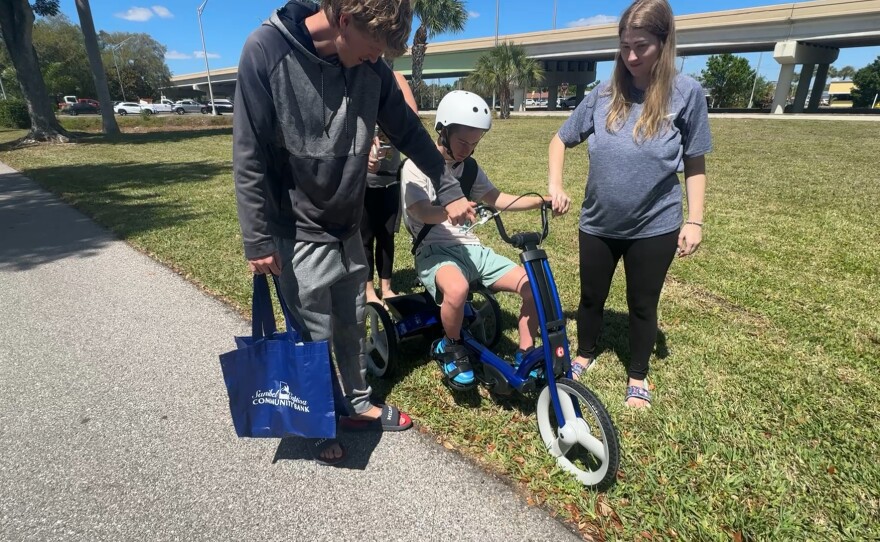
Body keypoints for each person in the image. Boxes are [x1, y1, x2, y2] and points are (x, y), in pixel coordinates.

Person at [233, 0, 476, 465]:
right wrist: (258, 239)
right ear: (343, 20)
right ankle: (322, 421)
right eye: (371, 50)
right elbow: (249, 153)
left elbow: (409, 132)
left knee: (354, 318)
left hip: (347, 225)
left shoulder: (373, 69)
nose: (375, 61)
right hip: (297, 230)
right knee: (314, 333)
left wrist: (447, 187)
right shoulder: (265, 50)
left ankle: (359, 404)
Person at [547, 0, 712, 409]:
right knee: (590, 297)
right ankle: (585, 352)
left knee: (642, 303)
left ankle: (637, 374)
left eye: (642, 46)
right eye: (624, 47)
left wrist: (695, 221)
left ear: (664, 42)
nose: (632, 57)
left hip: (655, 226)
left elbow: (695, 161)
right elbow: (560, 139)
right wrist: (555, 185)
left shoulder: (687, 93)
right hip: (598, 223)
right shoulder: (602, 94)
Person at [401, 91, 556, 390]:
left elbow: (497, 199)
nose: (468, 150)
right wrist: (449, 210)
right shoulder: (416, 166)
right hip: (433, 250)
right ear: (443, 131)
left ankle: (525, 351)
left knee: (533, 284)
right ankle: (451, 345)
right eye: (463, 142)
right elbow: (418, 210)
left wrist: (541, 201)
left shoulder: (470, 169)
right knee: (457, 290)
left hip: (471, 249)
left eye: (475, 144)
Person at [362, 68, 418, 306]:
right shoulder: (358, 81)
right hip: (363, 180)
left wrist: (396, 80)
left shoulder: (395, 78)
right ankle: (368, 290)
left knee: (386, 235)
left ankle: (387, 287)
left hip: (391, 177)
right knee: (365, 236)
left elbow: (412, 117)